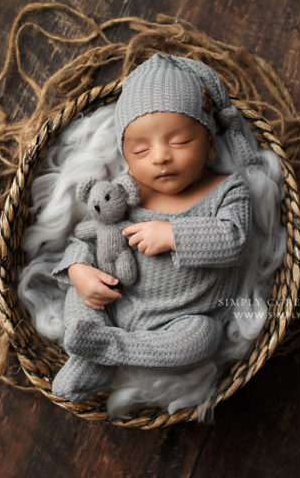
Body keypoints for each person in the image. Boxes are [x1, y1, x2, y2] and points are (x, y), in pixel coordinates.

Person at [51, 53, 262, 401]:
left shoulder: (228, 189)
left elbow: (235, 240)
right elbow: (84, 237)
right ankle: (93, 351)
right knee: (79, 297)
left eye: (179, 142)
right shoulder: (123, 194)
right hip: (115, 302)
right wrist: (77, 271)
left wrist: (173, 234)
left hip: (181, 319)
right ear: (125, 158)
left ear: (210, 143)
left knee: (202, 339)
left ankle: (108, 351)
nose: (161, 156)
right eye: (141, 149)